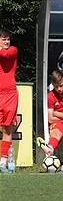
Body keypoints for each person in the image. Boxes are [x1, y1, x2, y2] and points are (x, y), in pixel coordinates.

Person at [0, 28, 18, 173]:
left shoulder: (12, 50)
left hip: (10, 95)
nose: (7, 42)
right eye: (3, 39)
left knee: (7, 128)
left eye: (8, 39)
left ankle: (3, 162)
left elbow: (5, 54)